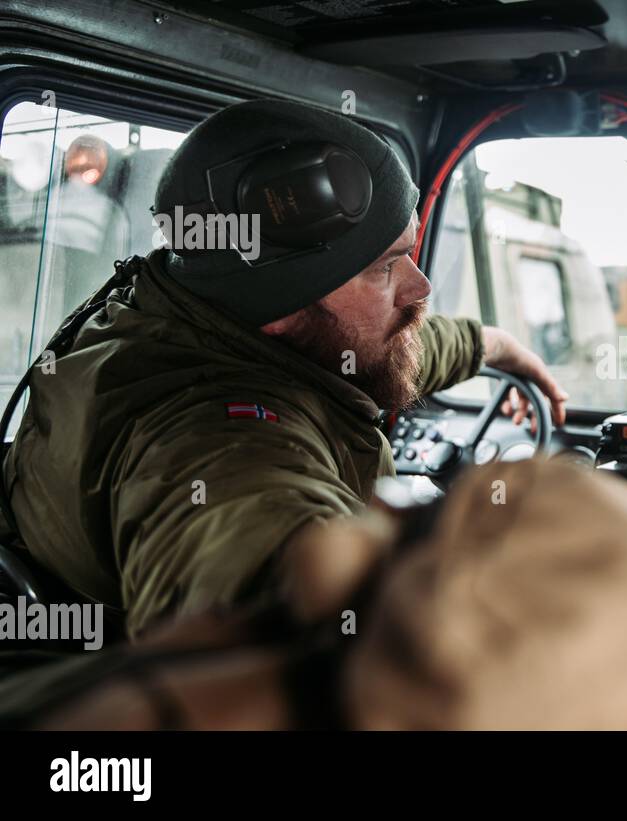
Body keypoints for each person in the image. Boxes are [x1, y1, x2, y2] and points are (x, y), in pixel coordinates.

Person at [1, 100, 567, 638]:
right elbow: (268, 573)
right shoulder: (220, 439)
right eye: (386, 267)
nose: (421, 287)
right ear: (284, 305)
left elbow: (373, 348)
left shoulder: (171, 310)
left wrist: (494, 344)